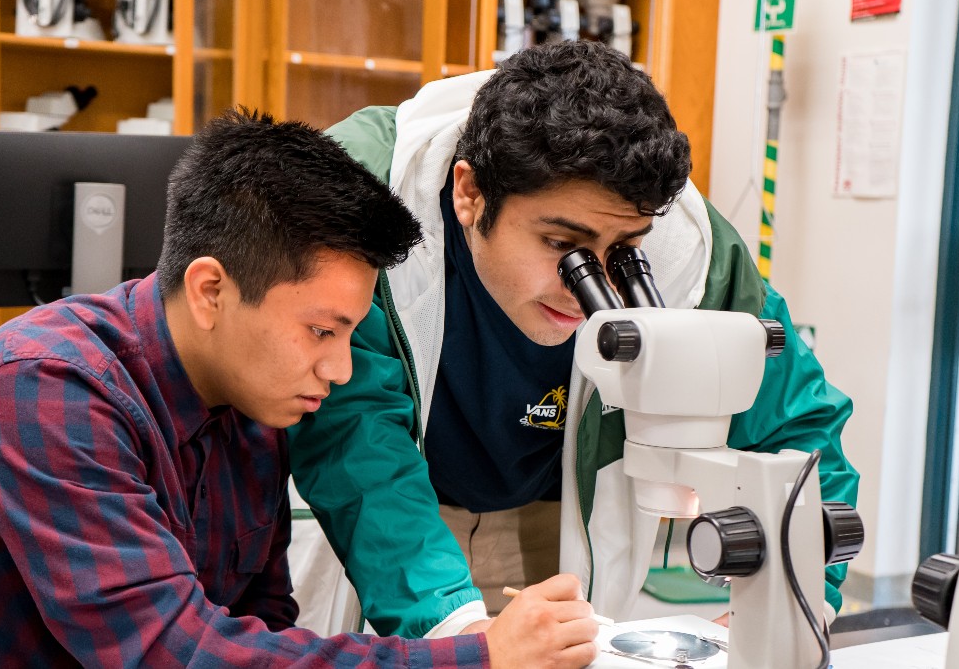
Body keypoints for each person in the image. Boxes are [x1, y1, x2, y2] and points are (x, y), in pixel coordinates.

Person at [0, 110, 600, 668]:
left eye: (352, 335)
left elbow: (261, 627)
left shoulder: (250, 399)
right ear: (211, 291)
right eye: (322, 331)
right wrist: (475, 658)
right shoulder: (45, 390)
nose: (342, 370)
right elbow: (174, 654)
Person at [287, 40, 860, 638]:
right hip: (393, 506)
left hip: (549, 510)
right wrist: (454, 629)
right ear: (469, 192)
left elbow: (799, 428)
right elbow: (356, 438)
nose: (586, 290)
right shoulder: (366, 197)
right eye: (563, 246)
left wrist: (783, 602)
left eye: (624, 253)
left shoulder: (689, 249)